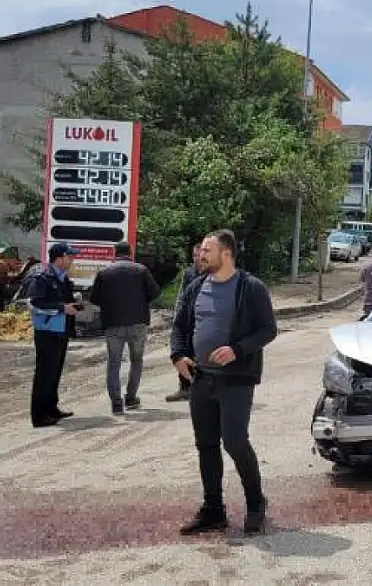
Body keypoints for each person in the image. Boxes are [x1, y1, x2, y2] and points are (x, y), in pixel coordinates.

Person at [170, 229, 278, 536]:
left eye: (207, 250)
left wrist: (237, 350)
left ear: (226, 253)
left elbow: (268, 330)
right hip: (202, 379)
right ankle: (213, 510)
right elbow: (179, 325)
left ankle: (256, 504)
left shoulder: (250, 287)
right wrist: (177, 355)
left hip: (237, 380)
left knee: (234, 441)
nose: (200, 255)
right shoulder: (195, 287)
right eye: (201, 250)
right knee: (206, 445)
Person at [89, 241, 160, 415]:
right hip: (138, 323)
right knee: (136, 360)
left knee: (114, 363)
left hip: (113, 324)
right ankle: (131, 398)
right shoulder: (141, 270)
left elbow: (94, 298)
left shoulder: (104, 273)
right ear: (131, 252)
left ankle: (116, 403)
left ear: (115, 253)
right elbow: (155, 293)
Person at [25, 242, 81, 428]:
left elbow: (61, 299)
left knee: (54, 372)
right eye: (69, 256)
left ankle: (51, 408)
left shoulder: (62, 277)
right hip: (47, 331)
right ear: (59, 258)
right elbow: (35, 304)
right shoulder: (42, 277)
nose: (72, 259)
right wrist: (62, 308)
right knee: (44, 373)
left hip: (61, 329)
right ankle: (39, 416)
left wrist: (73, 302)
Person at [167, 243, 203, 402]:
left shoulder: (213, 274)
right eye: (194, 255)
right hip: (188, 319)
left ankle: (200, 387)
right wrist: (178, 314)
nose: (196, 258)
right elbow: (182, 296)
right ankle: (184, 387)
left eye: (199, 255)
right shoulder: (189, 274)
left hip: (203, 320)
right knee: (184, 351)